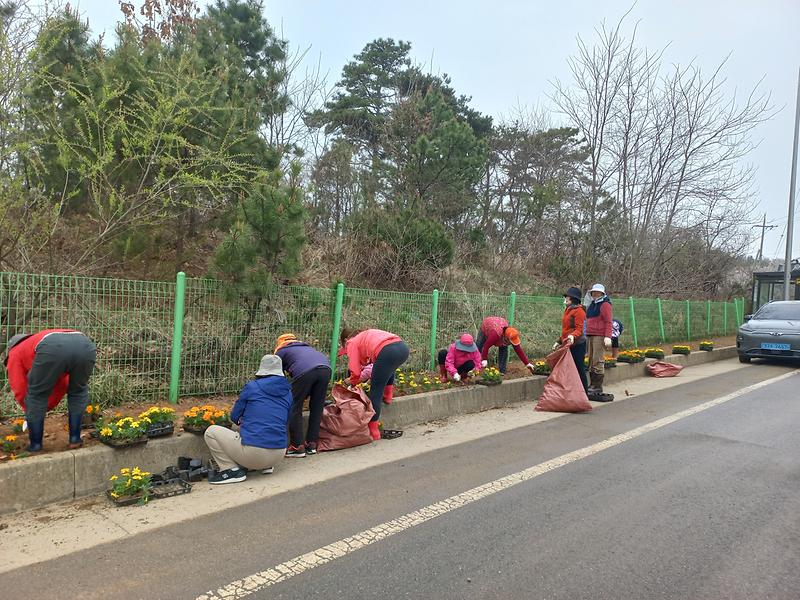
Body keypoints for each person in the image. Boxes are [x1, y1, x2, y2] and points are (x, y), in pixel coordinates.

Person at [204, 354, 292, 484]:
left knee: (211, 432)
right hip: (279, 454)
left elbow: (234, 417)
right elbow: (285, 420)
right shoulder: (289, 392)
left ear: (262, 370)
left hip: (255, 455)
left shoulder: (252, 387)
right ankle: (267, 466)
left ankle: (230, 470)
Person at [4, 329, 96, 452]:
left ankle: (35, 445)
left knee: (36, 395)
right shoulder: (35, 340)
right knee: (78, 391)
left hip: (53, 348)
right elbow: (63, 383)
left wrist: (29, 408)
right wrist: (46, 405)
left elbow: (19, 386)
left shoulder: (15, 351)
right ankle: (75, 439)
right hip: (85, 344)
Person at [339, 328, 410, 441]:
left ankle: (373, 432)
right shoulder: (366, 335)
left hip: (387, 351)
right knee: (388, 368)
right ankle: (388, 396)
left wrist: (352, 382)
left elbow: (355, 371)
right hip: (402, 348)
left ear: (346, 340)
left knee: (375, 392)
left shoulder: (351, 343)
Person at [275, 333, 332, 458]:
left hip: (305, 371)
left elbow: (276, 376)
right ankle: (312, 444)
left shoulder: (281, 351)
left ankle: (297, 446)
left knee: (294, 406)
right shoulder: (306, 348)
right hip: (326, 369)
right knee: (317, 407)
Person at [554, 287, 588, 392]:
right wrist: (559, 340)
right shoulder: (568, 310)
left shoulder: (579, 311)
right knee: (569, 369)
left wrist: (573, 336)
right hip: (568, 343)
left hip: (578, 344)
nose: (565, 299)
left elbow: (579, 329)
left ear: (573, 299)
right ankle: (572, 392)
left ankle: (583, 393)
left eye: (567, 297)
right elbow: (567, 329)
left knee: (579, 368)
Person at [585, 283, 613, 395]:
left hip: (600, 335)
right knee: (591, 360)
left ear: (602, 293)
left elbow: (608, 321)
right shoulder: (592, 304)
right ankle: (592, 384)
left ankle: (597, 386)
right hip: (591, 334)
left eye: (597, 292)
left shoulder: (605, 305)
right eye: (594, 292)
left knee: (597, 360)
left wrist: (608, 336)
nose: (595, 294)